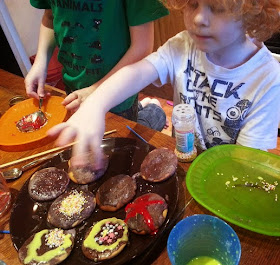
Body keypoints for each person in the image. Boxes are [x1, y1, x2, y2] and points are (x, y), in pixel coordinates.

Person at [48, 0, 280, 167]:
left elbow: (245, 162)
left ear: (253, 13)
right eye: (191, 4)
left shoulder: (268, 78)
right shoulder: (183, 45)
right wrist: (95, 104)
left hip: (225, 170)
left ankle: (152, 111)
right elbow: (137, 73)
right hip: (183, 152)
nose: (199, 18)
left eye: (218, 8)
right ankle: (153, 111)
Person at [25, 0, 169, 121]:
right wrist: (40, 62)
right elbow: (50, 16)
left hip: (117, 92)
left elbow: (142, 47)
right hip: (73, 87)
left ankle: (155, 112)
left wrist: (95, 91)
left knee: (121, 143)